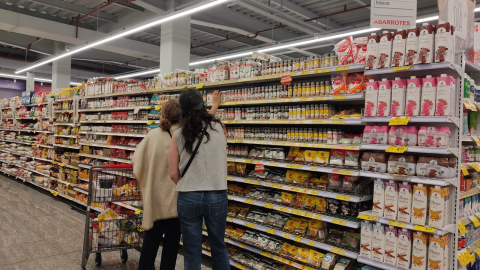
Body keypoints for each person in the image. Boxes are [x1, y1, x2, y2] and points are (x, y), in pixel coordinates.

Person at [168, 89, 229, 270]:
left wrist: (187, 183)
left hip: (189, 196)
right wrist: (215, 105)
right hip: (217, 195)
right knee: (219, 247)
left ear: (182, 109)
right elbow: (206, 125)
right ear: (202, 104)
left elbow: (173, 173)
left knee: (192, 250)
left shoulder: (178, 135)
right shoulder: (220, 128)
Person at [133, 99, 183, 270]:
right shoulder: (183, 135)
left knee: (150, 243)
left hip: (154, 198)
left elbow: (136, 161)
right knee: (171, 247)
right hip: (176, 201)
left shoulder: (152, 135)